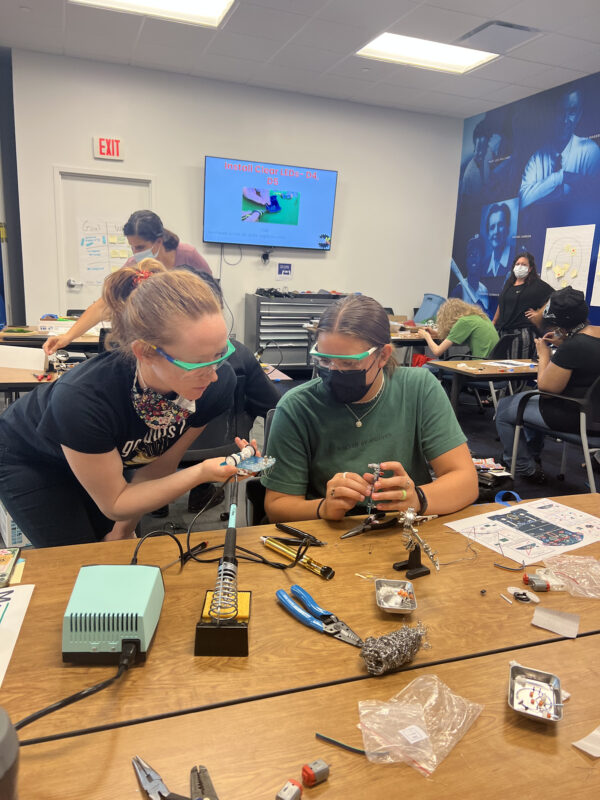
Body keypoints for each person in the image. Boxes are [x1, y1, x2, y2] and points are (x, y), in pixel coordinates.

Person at [0, 262, 246, 547]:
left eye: (220, 354)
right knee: (77, 558)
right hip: (32, 458)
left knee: (114, 547)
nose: (213, 373)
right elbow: (115, 502)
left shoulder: (215, 383)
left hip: (102, 457)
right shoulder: (83, 398)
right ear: (145, 352)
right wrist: (201, 472)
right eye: (198, 363)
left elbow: (159, 465)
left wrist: (121, 531)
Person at [261, 294, 478, 523]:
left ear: (383, 355)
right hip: (331, 537)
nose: (334, 371)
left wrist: (417, 499)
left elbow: (465, 480)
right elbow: (277, 505)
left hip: (404, 530)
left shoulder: (419, 388)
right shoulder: (297, 407)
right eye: (325, 361)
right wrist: (323, 508)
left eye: (349, 363)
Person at [43, 210, 212, 355]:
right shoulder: (135, 263)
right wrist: (67, 337)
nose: (135, 252)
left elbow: (212, 296)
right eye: (132, 247)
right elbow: (105, 304)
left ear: (158, 241)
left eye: (140, 247)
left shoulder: (188, 255)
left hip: (189, 334)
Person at [496, 287, 600, 482]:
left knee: (504, 408)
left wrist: (544, 354)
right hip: (596, 416)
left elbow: (545, 390)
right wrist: (563, 345)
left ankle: (522, 464)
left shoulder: (573, 346)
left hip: (574, 415)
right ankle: (531, 454)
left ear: (558, 323)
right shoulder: (588, 338)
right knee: (525, 402)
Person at [520, 88, 600, 209]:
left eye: (572, 112)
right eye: (560, 112)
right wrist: (561, 177)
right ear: (552, 114)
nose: (564, 120)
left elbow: (592, 198)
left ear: (579, 115)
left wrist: (540, 192)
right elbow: (522, 200)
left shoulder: (589, 151)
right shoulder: (537, 159)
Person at [492, 252, 553, 359]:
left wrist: (539, 313)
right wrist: (494, 321)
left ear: (530, 269)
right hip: (503, 332)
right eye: (518, 264)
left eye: (524, 265)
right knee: (500, 366)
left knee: (516, 368)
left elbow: (554, 298)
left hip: (522, 335)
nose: (520, 267)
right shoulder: (510, 282)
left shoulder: (536, 285)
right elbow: (501, 303)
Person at [419, 298, 499, 359]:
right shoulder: (480, 317)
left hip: (479, 366)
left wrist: (426, 336)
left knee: (428, 366)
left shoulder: (464, 322)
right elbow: (454, 337)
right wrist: (435, 333)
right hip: (493, 365)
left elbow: (437, 351)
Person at [449, 236, 489, 312]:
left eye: (476, 255)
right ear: (466, 261)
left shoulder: (484, 290)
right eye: (470, 255)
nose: (473, 259)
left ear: (482, 260)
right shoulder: (459, 289)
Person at [483, 202, 513, 296]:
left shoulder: (516, 260)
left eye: (500, 225)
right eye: (492, 227)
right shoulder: (484, 265)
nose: (496, 231)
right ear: (488, 234)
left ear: (507, 228)